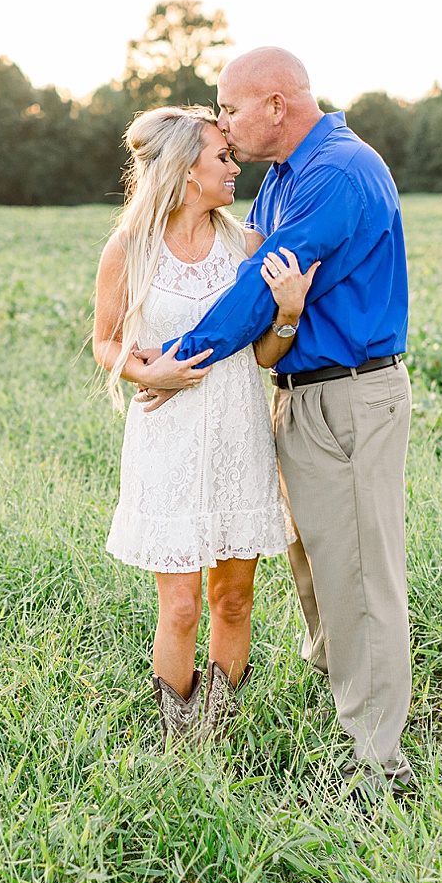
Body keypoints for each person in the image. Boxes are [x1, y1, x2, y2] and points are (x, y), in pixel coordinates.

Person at [135, 48, 415, 805]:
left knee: (360, 580)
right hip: (298, 391)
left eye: (229, 107)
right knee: (319, 572)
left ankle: (377, 768)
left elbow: (257, 290)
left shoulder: (339, 173)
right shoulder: (285, 178)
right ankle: (348, 717)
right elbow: (248, 283)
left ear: (274, 107)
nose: (222, 121)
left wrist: (177, 358)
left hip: (350, 396)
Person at [91, 105, 318, 748]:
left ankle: (216, 740)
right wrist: (146, 374)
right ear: (186, 170)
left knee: (234, 600)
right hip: (168, 440)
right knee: (183, 604)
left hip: (240, 436)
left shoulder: (243, 244)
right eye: (221, 155)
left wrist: (288, 314)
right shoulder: (128, 248)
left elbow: (267, 357)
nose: (233, 164)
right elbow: (106, 341)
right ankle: (178, 746)